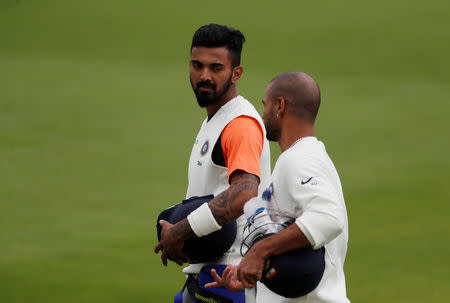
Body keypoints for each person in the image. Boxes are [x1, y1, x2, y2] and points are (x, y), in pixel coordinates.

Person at [205, 71, 351, 303]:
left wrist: (259, 251)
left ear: (280, 106)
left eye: (265, 105)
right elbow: (289, 243)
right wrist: (252, 269)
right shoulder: (302, 157)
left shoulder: (301, 159)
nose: (262, 115)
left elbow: (328, 217)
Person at [154, 24, 271, 302]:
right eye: (197, 65)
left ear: (236, 73)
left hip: (228, 280)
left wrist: (179, 231)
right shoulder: (217, 118)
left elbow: (244, 192)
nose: (204, 76)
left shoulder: (239, 124)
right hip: (209, 277)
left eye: (216, 68)